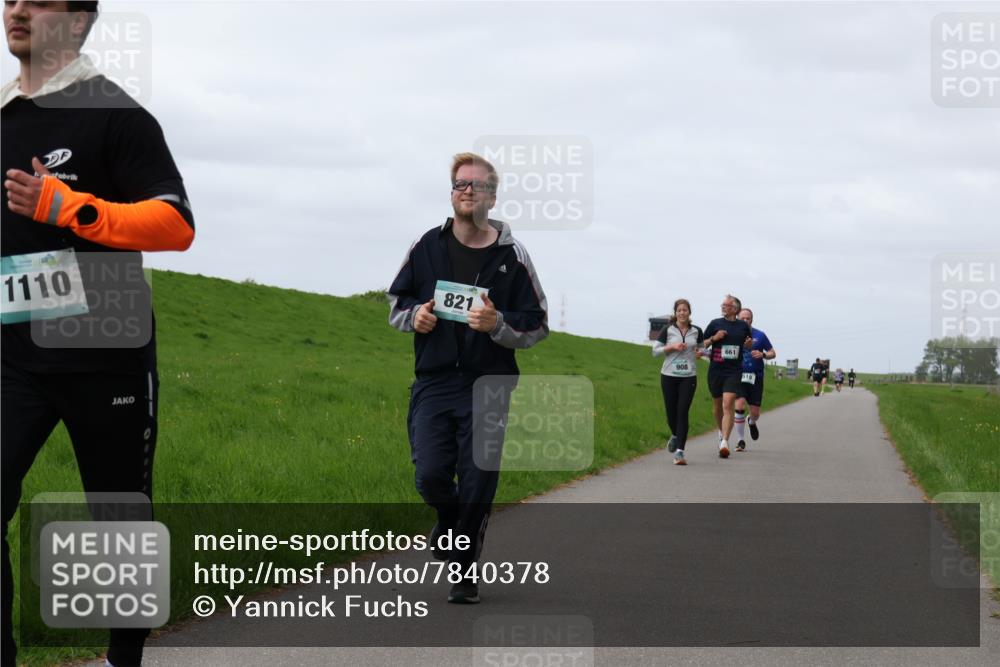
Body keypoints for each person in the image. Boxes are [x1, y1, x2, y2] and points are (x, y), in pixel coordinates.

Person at [2, 3, 195, 665]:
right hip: (13, 359)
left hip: (105, 354)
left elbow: (175, 224)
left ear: (79, 22)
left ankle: (123, 659)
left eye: (38, 0)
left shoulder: (117, 115)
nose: (16, 9)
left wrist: (72, 207)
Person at [388, 152, 548, 604]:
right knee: (431, 475)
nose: (467, 191)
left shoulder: (512, 256)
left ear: (492, 196)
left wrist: (497, 324)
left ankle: (463, 570)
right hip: (435, 381)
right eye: (460, 184)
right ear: (452, 191)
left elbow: (538, 324)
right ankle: (447, 517)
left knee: (477, 479)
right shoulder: (427, 246)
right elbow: (396, 303)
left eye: (476, 186)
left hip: (489, 384)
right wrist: (414, 316)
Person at [651, 299, 703, 465]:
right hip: (669, 375)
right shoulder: (668, 330)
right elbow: (655, 352)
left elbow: (702, 348)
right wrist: (672, 347)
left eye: (685, 310)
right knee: (671, 413)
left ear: (689, 312)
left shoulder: (697, 331)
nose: (682, 313)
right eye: (679, 310)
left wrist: (701, 352)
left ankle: (680, 452)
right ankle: (675, 434)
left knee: (682, 411)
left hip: (688, 376)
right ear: (676, 313)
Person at [702, 295, 752, 458]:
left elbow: (748, 344)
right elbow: (701, 344)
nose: (723, 307)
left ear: (735, 308)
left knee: (728, 404)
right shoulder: (715, 323)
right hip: (716, 370)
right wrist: (714, 338)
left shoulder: (743, 327)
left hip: (734, 371)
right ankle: (721, 430)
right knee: (717, 407)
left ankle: (724, 442)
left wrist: (748, 346)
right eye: (722, 304)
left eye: (727, 305)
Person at [733, 308, 774, 452]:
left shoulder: (760, 335)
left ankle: (751, 421)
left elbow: (772, 353)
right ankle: (740, 440)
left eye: (747, 318)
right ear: (738, 318)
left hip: (756, 377)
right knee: (739, 403)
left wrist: (763, 355)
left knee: (755, 413)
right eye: (742, 318)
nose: (745, 321)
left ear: (752, 320)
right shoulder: (734, 334)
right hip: (738, 376)